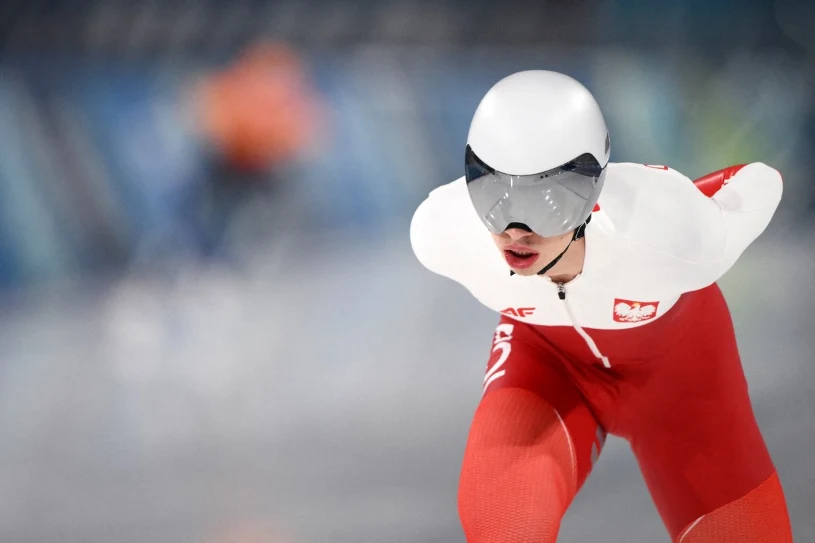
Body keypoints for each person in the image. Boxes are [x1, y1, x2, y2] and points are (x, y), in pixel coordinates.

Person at [410, 70, 794, 542]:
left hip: (683, 382)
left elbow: (755, 183)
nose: (514, 230)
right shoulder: (443, 234)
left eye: (546, 202)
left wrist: (692, 211)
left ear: (592, 193)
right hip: (550, 365)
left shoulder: (673, 236)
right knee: (504, 524)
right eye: (492, 196)